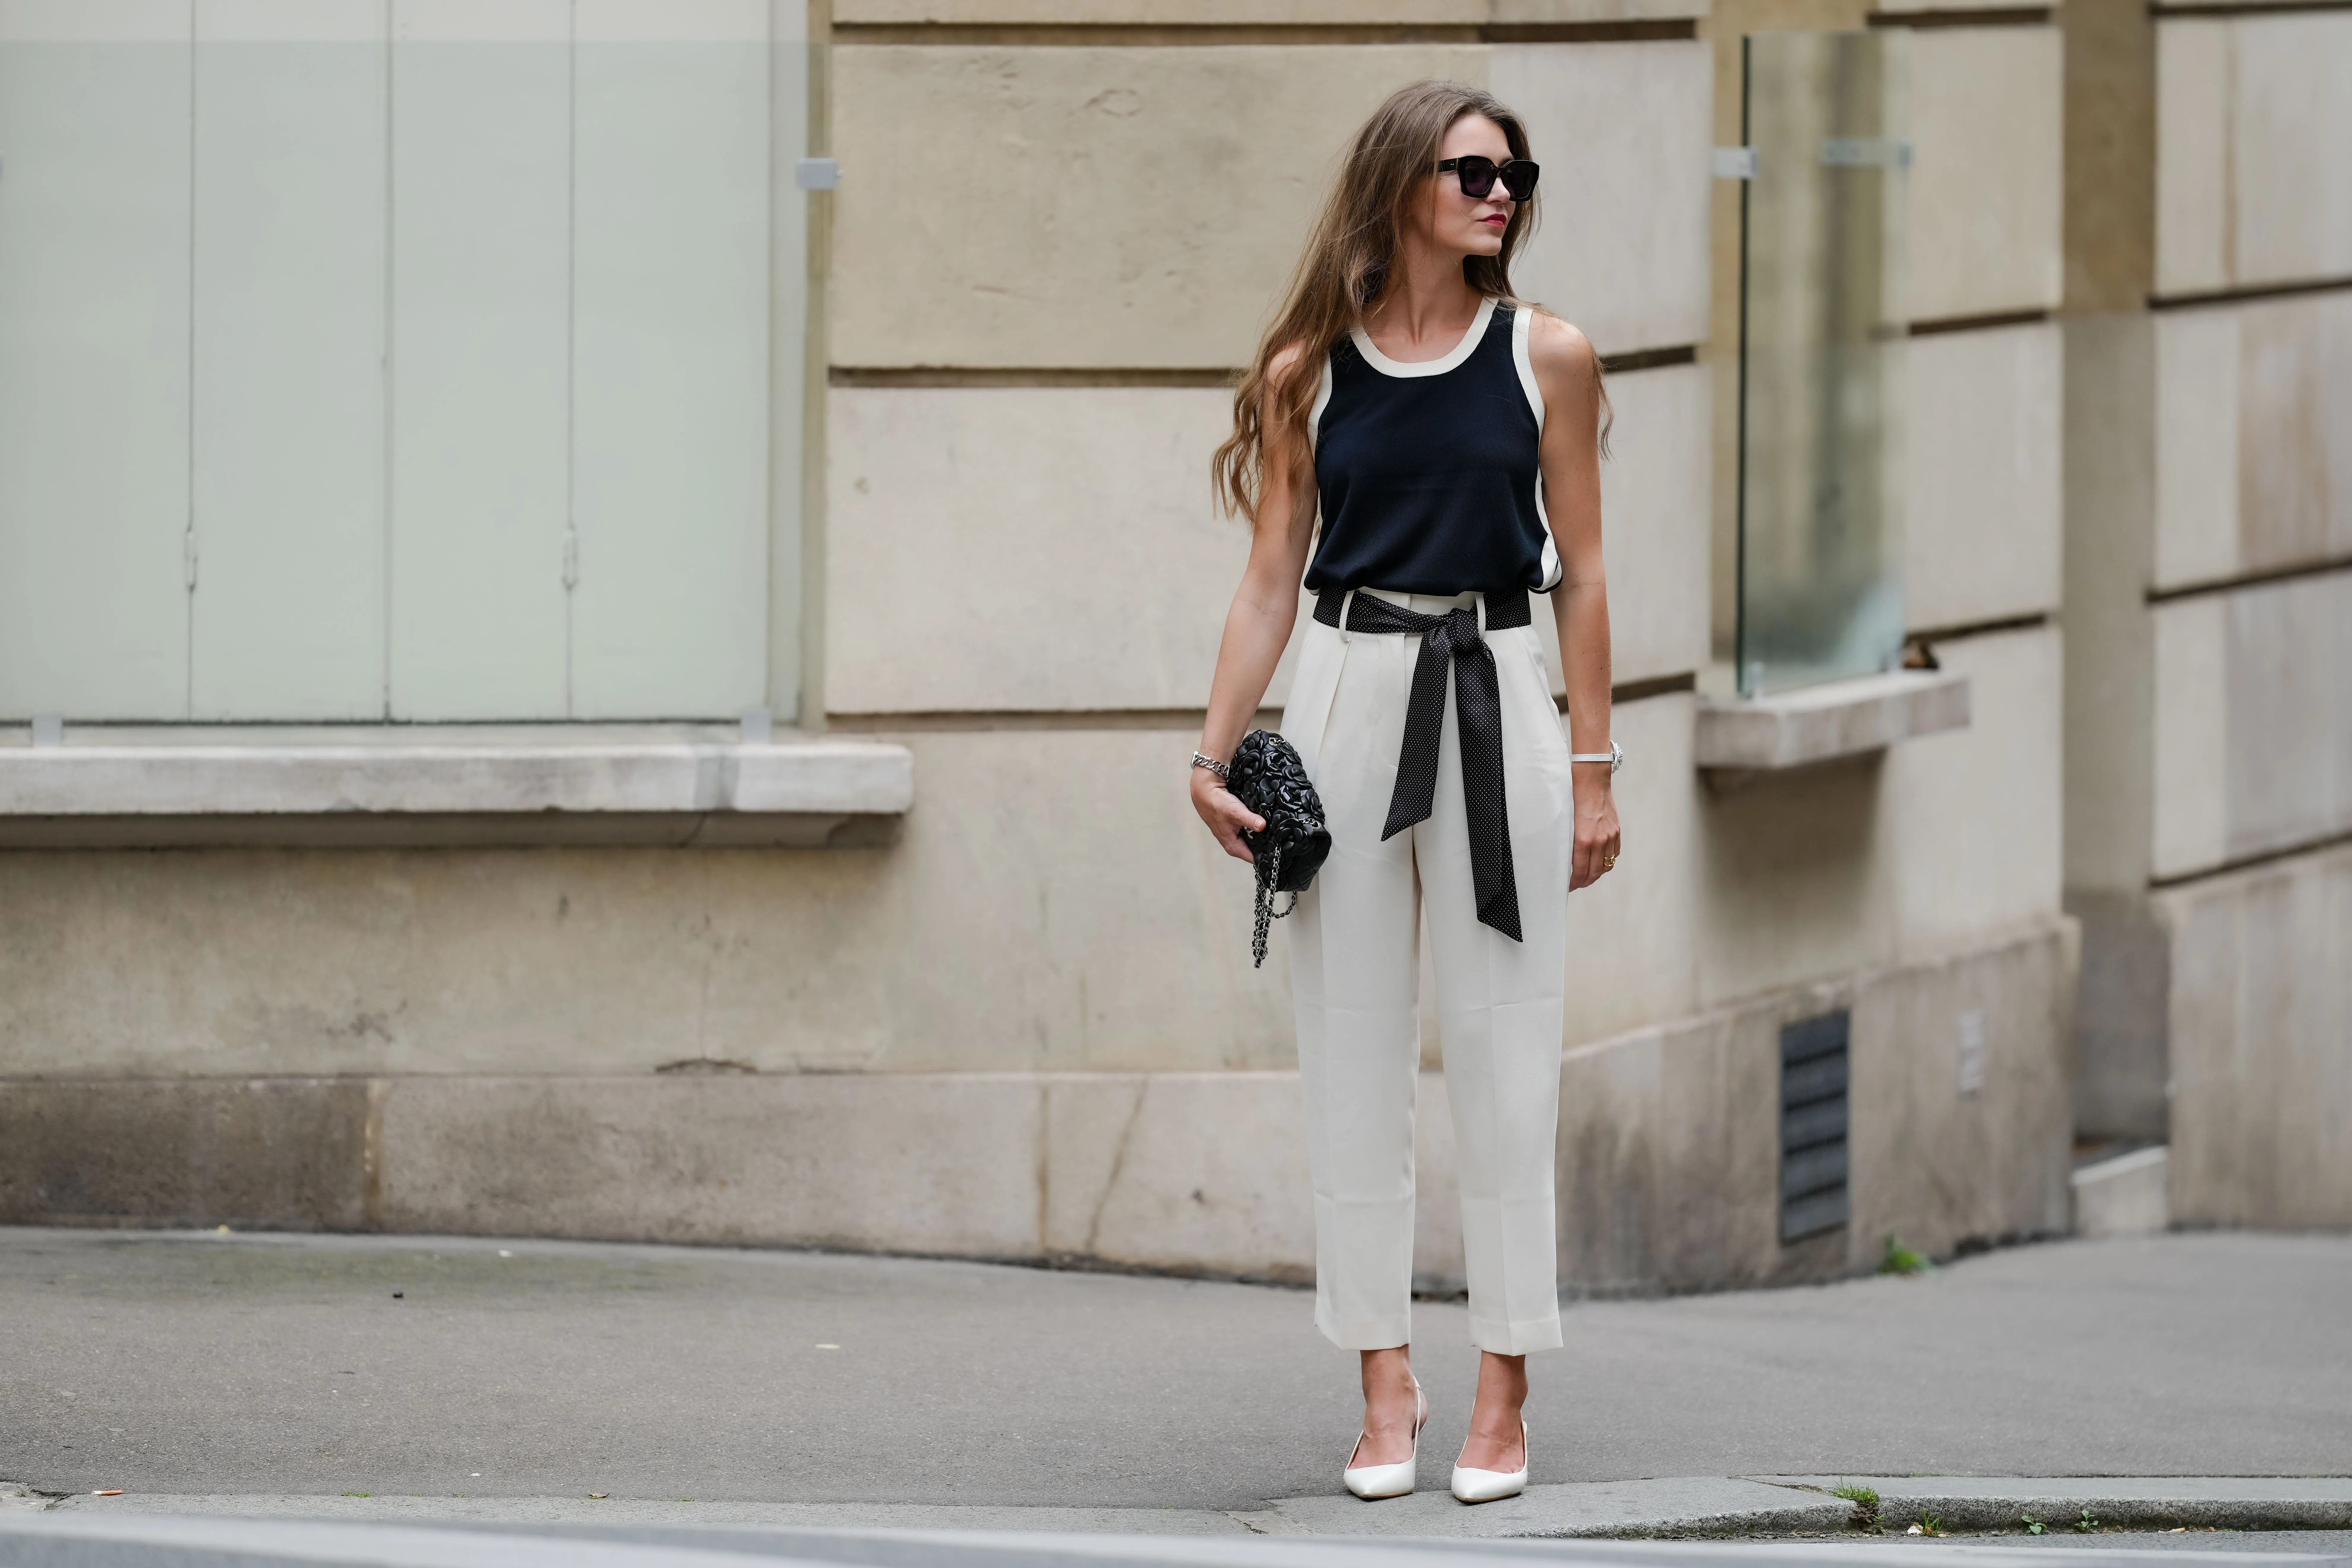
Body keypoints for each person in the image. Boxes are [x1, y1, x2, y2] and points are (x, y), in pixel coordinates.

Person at [1190, 80, 1620, 1504]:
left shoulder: (1546, 356)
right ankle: (1383, 1378)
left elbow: (1590, 575)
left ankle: (1503, 1389)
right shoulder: (1307, 373)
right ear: (1401, 184)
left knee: (1507, 1052)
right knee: (1352, 1049)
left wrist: (1602, 769)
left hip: (1500, 688)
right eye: (1471, 170)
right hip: (1348, 689)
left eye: (1513, 175)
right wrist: (1209, 750)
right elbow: (1269, 577)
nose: (1500, 193)